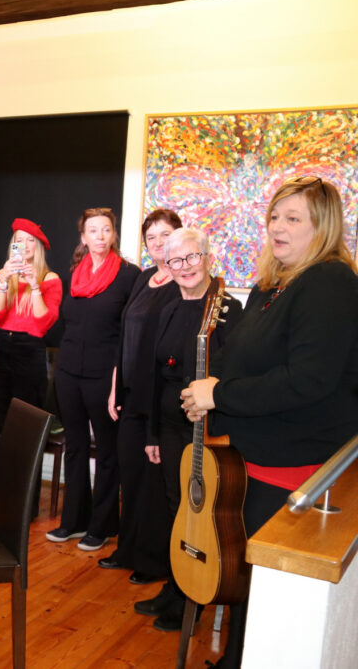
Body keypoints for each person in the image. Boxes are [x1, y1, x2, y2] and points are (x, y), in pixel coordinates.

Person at [181, 176, 358, 667]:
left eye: (293, 218)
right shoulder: (271, 285)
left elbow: (307, 381)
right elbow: (241, 362)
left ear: (323, 227)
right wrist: (207, 396)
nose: (277, 226)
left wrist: (219, 395)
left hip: (295, 473)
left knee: (271, 603)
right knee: (250, 591)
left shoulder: (330, 283)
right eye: (274, 216)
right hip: (253, 464)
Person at [131, 227, 242, 631]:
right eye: (176, 260)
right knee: (174, 507)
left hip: (207, 429)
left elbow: (233, 372)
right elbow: (153, 374)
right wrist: (152, 434)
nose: (185, 267)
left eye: (192, 257)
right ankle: (176, 586)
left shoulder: (228, 309)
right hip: (169, 427)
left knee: (200, 512)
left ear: (207, 257)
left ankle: (194, 596)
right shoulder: (167, 307)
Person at [47, 207, 140, 550]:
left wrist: (118, 378)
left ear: (113, 235)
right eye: (93, 230)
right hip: (68, 372)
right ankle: (73, 521)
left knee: (106, 452)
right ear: (83, 238)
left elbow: (130, 333)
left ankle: (101, 526)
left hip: (105, 375)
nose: (100, 236)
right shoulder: (76, 274)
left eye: (106, 229)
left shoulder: (129, 275)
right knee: (74, 447)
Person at [99, 209, 182, 577]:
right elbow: (124, 337)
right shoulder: (144, 278)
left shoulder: (183, 283)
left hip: (158, 398)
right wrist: (114, 386)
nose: (158, 242)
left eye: (165, 234)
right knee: (130, 475)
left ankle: (152, 560)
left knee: (153, 483)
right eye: (151, 237)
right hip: (129, 393)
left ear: (179, 236)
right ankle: (127, 550)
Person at [0, 218, 61, 521]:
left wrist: (35, 286)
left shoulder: (50, 279)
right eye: (18, 240)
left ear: (38, 247)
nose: (24, 246)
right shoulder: (2, 275)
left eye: (29, 241)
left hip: (30, 352)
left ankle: (25, 506)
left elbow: (43, 322)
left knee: (28, 430)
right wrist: (4, 281)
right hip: (2, 349)